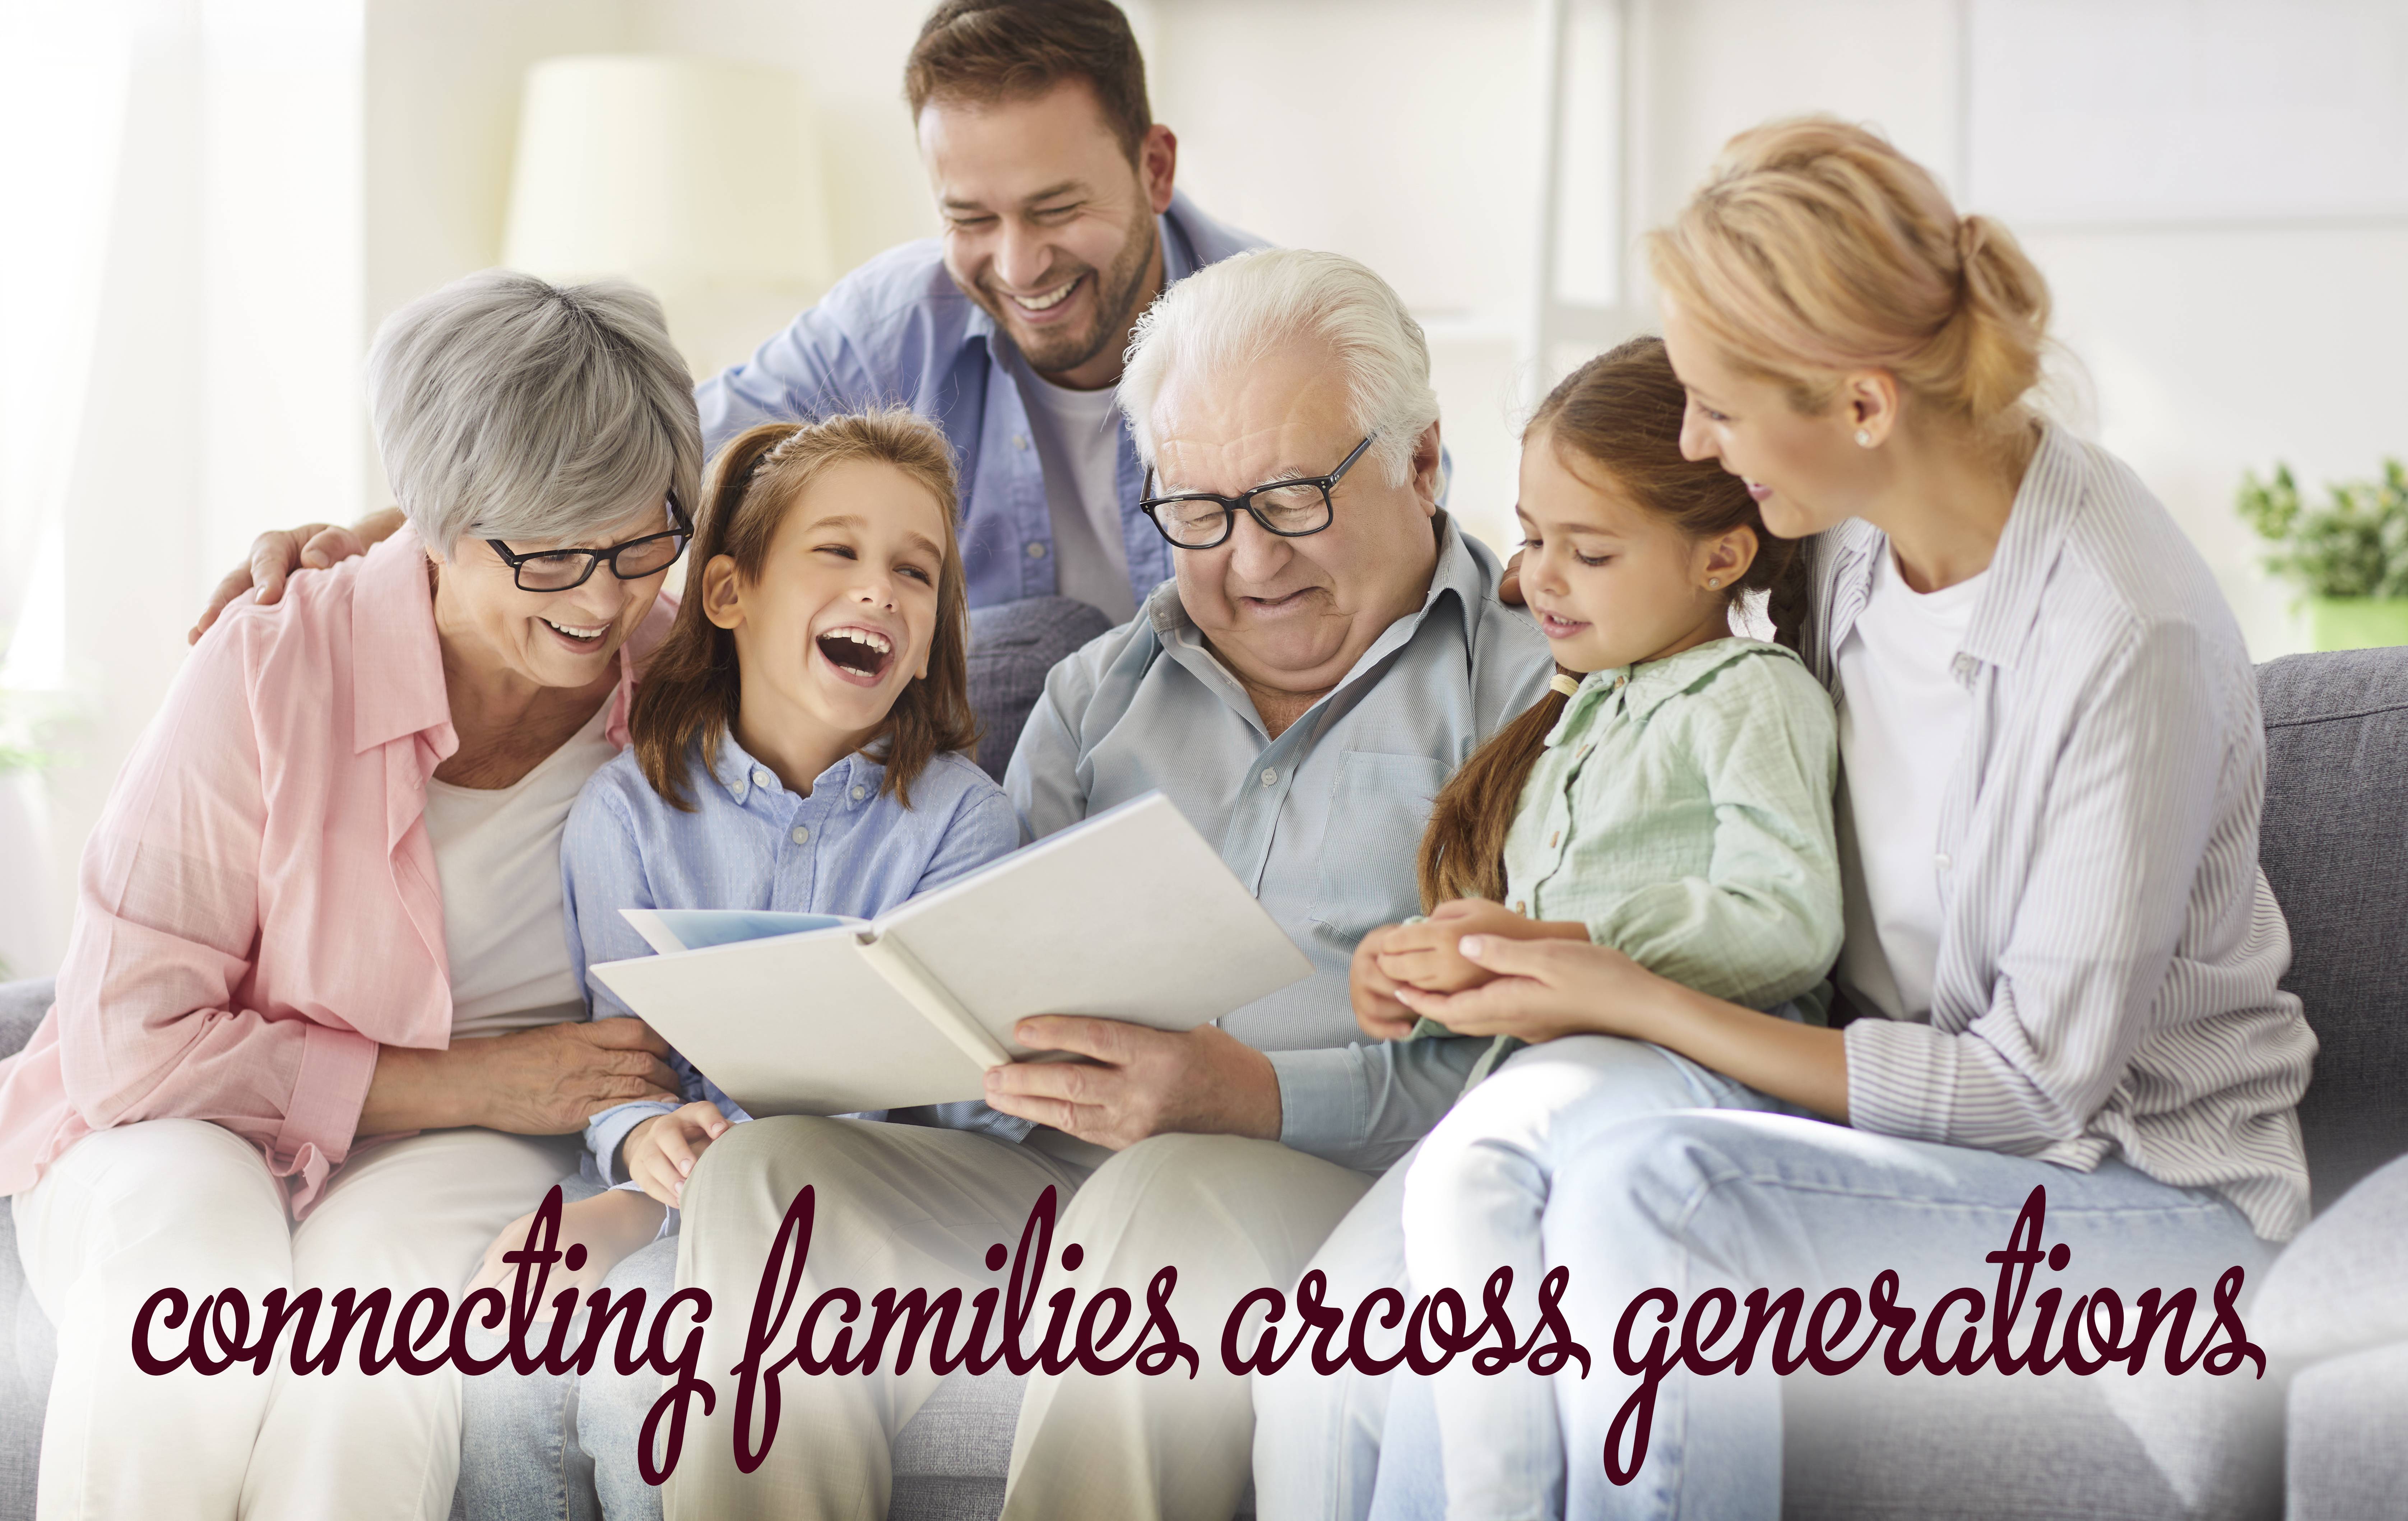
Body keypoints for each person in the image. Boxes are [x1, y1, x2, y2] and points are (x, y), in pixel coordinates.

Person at [1365, 117, 2318, 1520]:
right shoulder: (1852, 547)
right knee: (1490, 1190)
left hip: (2147, 1206)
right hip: (1903, 1144)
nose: (1696, 442)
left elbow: (2033, 1091)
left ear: (1863, 405)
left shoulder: (2129, 635)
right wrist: (1522, 949)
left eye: (1718, 408)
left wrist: (1633, 996)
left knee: (1656, 1188)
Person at [658, 247, 1553, 1521]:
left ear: (1419, 462)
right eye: (1196, 512)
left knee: (1163, 1192)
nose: (1248, 563)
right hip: (1061, 1179)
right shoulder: (1100, 694)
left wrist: (1249, 1095)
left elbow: (1547, 1050)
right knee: (771, 1178)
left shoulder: (1530, 689)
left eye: (1293, 498)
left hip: (1340, 1185)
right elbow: (999, 961)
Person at [0, 269, 703, 1521]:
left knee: (378, 1334)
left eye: (642, 539)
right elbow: (128, 1041)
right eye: (551, 554)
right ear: (429, 522)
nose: (606, 598)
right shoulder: (273, 660)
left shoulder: (679, 687)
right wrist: (466, 1079)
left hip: (488, 1155)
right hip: (177, 1125)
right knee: (184, 1284)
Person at [192, 0, 1264, 642]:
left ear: (1154, 165)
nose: (1018, 264)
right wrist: (374, 536)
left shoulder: (1280, 333)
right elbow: (653, 466)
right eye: (969, 217)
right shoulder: (897, 317)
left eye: (1058, 209)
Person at [1285, 335, 1842, 1521]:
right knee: (1323, 1339)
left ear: (1720, 556)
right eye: (1533, 538)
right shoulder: (1566, 713)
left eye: (1587, 552)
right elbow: (1523, 930)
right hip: (1542, 1072)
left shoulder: (1752, 694)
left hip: (1683, 1061)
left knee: (1473, 1177)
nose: (1540, 576)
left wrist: (1559, 942)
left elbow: (1786, 916)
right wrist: (1419, 969)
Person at [453, 409, 1022, 1521]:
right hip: (663, 1185)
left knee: (640, 1386)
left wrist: (643, 1216)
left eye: (916, 571)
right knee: (503, 1360)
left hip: (857, 1214)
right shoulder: (627, 814)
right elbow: (629, 1064)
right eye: (839, 552)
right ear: (728, 595)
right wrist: (638, 1142)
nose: (881, 592)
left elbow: (961, 1112)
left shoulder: (964, 825)